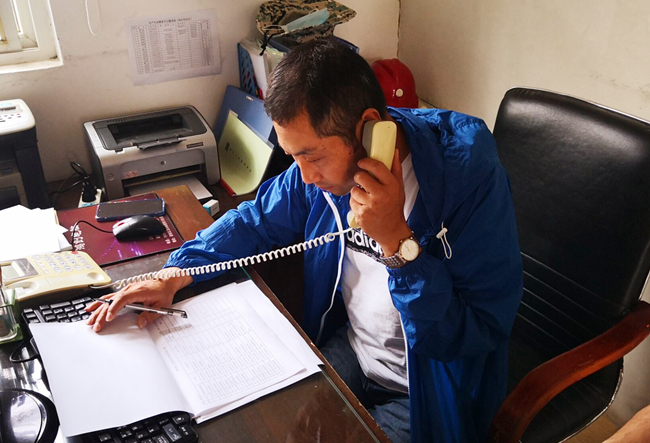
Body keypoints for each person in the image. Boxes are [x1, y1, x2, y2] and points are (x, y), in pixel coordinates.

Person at [87, 38, 523, 443]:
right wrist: (175, 272)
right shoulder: (319, 176)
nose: (305, 176)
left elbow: (473, 332)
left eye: (311, 156)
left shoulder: (468, 179)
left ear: (369, 130)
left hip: (429, 389)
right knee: (271, 427)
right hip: (356, 352)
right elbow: (254, 220)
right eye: (293, 156)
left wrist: (397, 243)